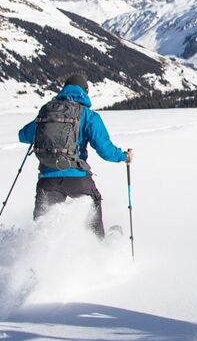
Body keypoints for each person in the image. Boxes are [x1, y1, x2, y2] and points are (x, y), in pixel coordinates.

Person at [18, 74, 132, 238]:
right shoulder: (88, 115)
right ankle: (97, 243)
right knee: (93, 202)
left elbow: (23, 135)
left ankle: (38, 256)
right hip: (77, 178)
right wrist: (123, 156)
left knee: (43, 229)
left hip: (47, 179)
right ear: (85, 92)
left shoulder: (47, 111)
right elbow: (105, 150)